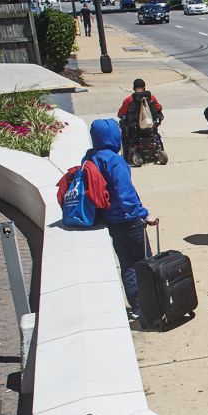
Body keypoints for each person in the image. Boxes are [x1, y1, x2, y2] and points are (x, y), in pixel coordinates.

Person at [82, 119, 158, 322]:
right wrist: (144, 214)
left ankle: (137, 306)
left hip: (111, 221)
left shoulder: (90, 158)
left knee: (127, 266)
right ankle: (149, 308)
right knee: (143, 263)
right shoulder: (115, 161)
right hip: (129, 220)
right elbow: (126, 195)